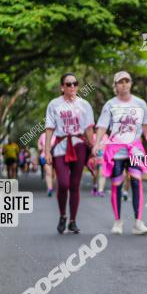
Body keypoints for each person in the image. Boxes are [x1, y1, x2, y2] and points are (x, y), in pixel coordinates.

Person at [96, 70, 147, 235]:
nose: (124, 84)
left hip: (135, 149)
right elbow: (102, 126)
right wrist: (97, 144)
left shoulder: (140, 104)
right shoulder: (110, 105)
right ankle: (118, 222)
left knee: (137, 183)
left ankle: (138, 222)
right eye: (120, 82)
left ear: (131, 84)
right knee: (116, 185)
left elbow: (146, 128)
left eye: (127, 81)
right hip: (116, 150)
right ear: (115, 86)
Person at [42, 73, 95, 234]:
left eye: (74, 83)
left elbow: (89, 129)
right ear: (62, 87)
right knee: (63, 184)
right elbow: (49, 128)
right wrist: (47, 151)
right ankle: (63, 216)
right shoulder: (54, 104)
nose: (72, 87)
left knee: (74, 185)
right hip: (60, 146)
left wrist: (92, 149)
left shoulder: (84, 105)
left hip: (79, 145)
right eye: (68, 84)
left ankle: (73, 221)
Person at [37, 132, 55, 196]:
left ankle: (51, 186)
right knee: (48, 173)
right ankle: (50, 189)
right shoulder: (43, 135)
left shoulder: (57, 134)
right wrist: (40, 147)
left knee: (53, 174)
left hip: (56, 156)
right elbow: (39, 143)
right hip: (45, 156)